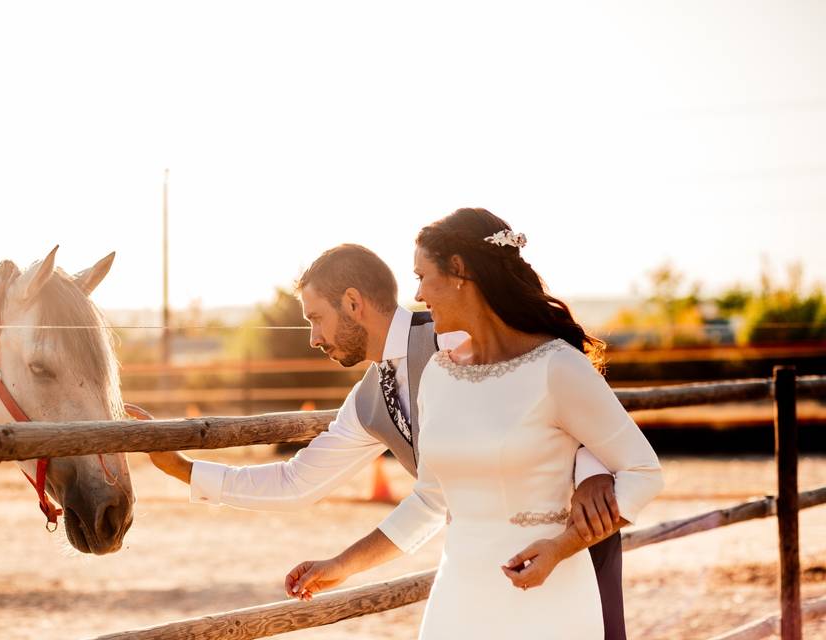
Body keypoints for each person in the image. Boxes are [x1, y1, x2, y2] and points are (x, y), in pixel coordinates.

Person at [148, 242, 631, 637]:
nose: (313, 339)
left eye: (316, 318)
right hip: (479, 565)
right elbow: (298, 483)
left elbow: (564, 382)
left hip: (574, 546)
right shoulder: (368, 401)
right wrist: (184, 470)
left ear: (354, 304)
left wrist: (591, 472)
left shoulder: (452, 337)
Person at [282, 211, 664, 639]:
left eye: (423, 276)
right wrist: (342, 565)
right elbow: (430, 501)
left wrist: (562, 547)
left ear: (460, 271)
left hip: (547, 596)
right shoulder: (441, 375)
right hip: (459, 599)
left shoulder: (558, 367)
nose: (419, 294)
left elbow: (644, 473)